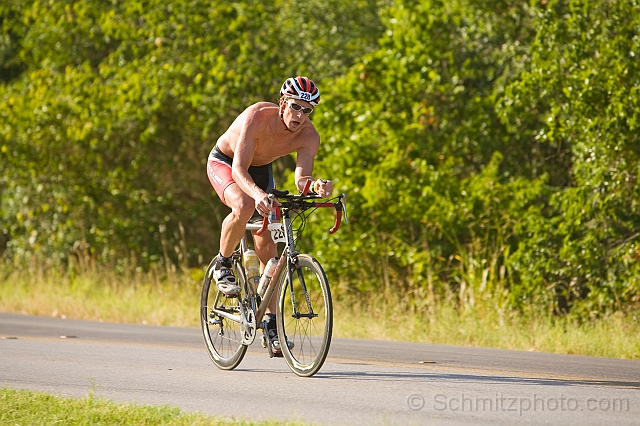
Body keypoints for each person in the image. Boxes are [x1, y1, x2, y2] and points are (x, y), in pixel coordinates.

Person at [206, 76, 334, 354]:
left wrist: (316, 185)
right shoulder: (257, 117)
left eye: (308, 110)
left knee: (272, 256)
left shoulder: (309, 136)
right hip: (227, 163)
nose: (300, 115)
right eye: (296, 107)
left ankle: (271, 325)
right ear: (282, 103)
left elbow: (302, 180)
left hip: (262, 171)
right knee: (243, 205)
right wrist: (258, 194)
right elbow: (240, 170)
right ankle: (223, 263)